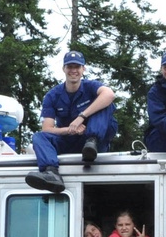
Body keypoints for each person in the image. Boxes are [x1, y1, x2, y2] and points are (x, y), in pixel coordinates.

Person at [26, 51, 118, 193]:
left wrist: (81, 117)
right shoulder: (52, 95)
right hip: (71, 140)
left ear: (83, 69)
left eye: (77, 66)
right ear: (64, 69)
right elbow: (47, 128)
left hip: (95, 140)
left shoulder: (90, 86)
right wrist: (70, 129)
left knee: (106, 104)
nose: (73, 70)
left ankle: (91, 143)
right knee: (38, 136)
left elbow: (109, 94)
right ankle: (51, 173)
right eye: (70, 67)